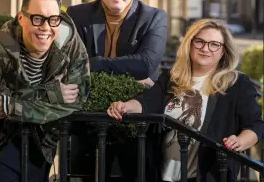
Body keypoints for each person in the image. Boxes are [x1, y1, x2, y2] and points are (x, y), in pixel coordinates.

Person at [107, 19, 264, 182]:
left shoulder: (236, 83)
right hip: (162, 174)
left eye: (214, 44)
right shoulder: (172, 78)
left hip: (207, 175)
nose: (205, 48)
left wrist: (240, 141)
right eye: (200, 42)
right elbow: (145, 102)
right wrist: (124, 106)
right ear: (189, 44)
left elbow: (255, 125)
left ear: (224, 51)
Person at [0, 0, 91, 182]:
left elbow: (78, 97)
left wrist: (12, 105)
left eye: (53, 19)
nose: (45, 27)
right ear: (21, 18)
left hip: (42, 142)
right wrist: (52, 94)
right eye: (37, 18)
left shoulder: (69, 41)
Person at [66, 0, 167, 182]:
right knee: (84, 176)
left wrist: (92, 63)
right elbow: (70, 63)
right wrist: (127, 71)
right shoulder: (77, 15)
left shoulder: (154, 17)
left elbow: (146, 65)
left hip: (136, 120)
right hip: (88, 118)